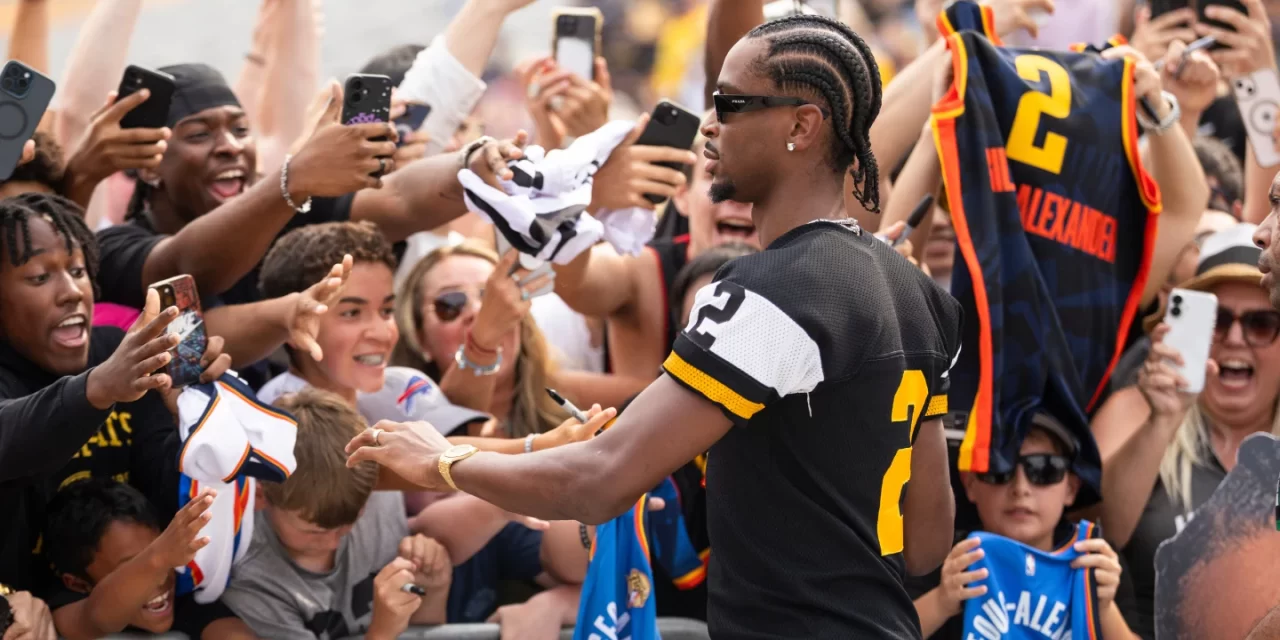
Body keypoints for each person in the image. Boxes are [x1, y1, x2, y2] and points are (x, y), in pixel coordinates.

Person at [348, 14, 963, 639]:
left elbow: (598, 479)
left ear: (802, 126)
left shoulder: (776, 290)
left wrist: (443, 460)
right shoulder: (916, 290)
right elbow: (924, 545)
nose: (709, 125)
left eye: (729, 103)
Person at [1094, 224, 1280, 638]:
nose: (1235, 339)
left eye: (1262, 323)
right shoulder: (1136, 410)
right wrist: (1161, 421)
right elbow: (1093, 524)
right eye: (1216, 321)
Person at [222, 389, 453, 639]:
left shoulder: (376, 499)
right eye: (314, 531)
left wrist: (432, 588)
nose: (334, 542)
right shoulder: (251, 579)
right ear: (260, 495)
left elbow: (424, 629)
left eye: (349, 524)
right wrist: (381, 633)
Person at [912, 422, 1136, 639]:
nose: (1020, 488)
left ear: (1071, 487)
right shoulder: (945, 559)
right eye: (999, 469)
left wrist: (1104, 610)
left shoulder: (1095, 558)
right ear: (970, 483)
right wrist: (940, 602)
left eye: (1044, 469)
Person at [41, 479, 257, 639]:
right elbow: (97, 618)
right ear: (78, 583)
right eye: (134, 565)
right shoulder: (63, 610)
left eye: (160, 548)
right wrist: (159, 557)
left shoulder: (179, 590)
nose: (161, 578)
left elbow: (231, 632)